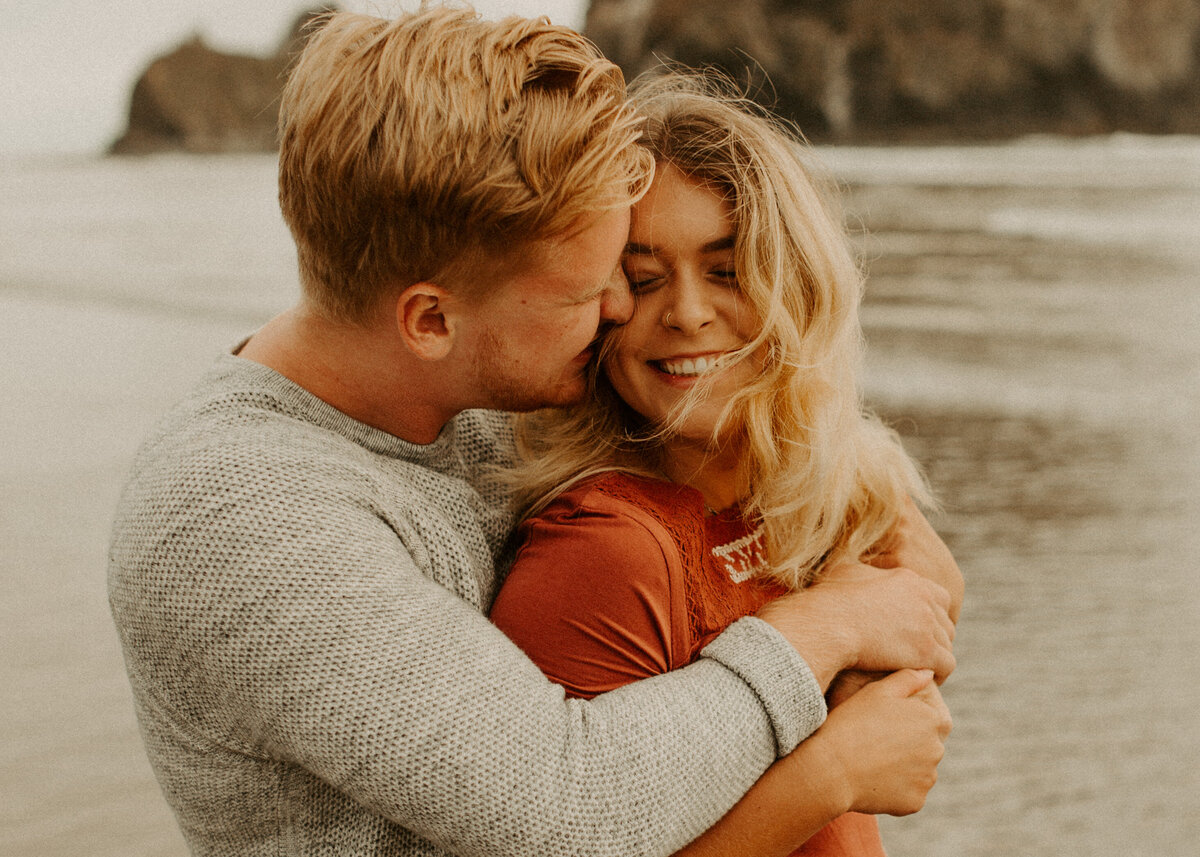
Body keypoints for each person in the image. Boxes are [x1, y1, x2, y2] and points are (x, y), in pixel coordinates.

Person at [108, 7, 956, 857]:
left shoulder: (472, 379)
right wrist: (833, 631)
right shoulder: (235, 519)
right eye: (597, 288)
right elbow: (567, 806)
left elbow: (759, 450)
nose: (625, 311)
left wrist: (896, 542)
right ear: (430, 319)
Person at [491, 72, 963, 856]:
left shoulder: (827, 492)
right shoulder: (605, 551)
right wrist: (835, 771)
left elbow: (927, 611)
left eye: (726, 269)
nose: (685, 311)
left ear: (797, 282)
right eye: (642, 280)